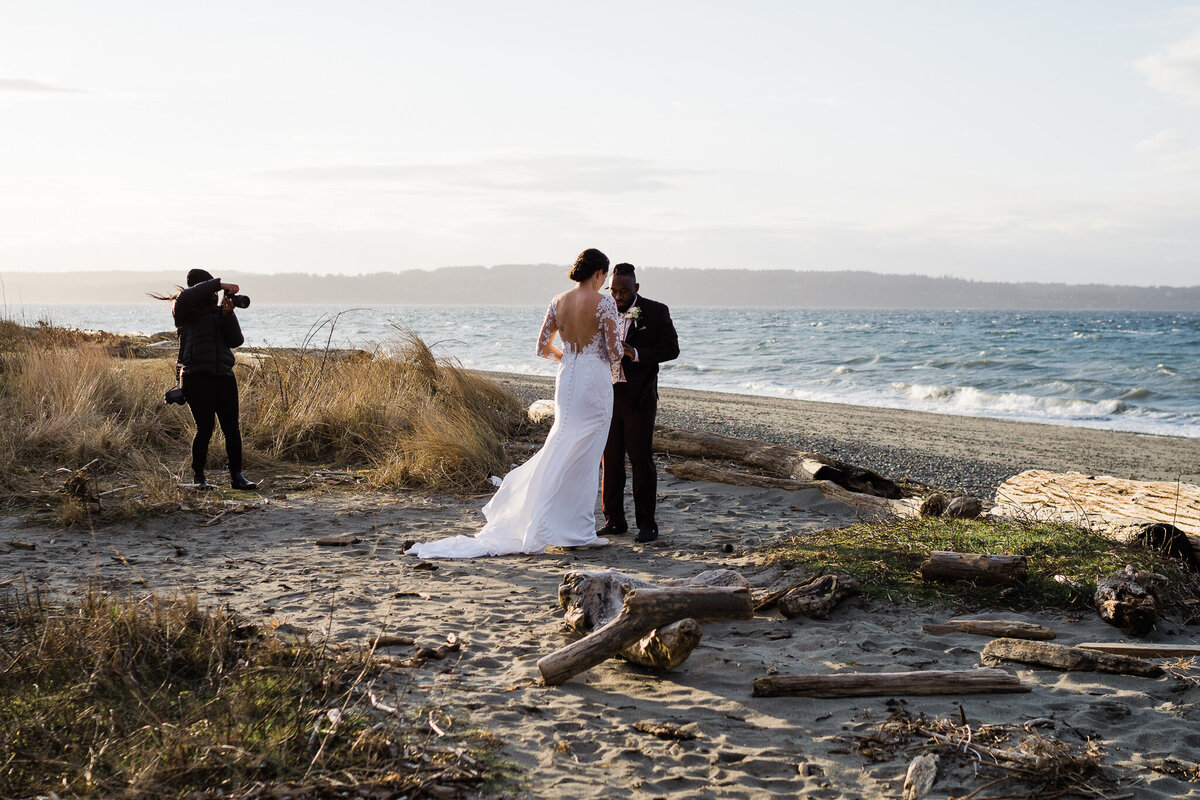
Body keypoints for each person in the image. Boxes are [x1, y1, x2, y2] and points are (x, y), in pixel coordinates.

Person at [407, 249, 621, 558]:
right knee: (585, 456)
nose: (604, 283)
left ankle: (567, 528)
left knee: (562, 444)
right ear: (600, 273)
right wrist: (602, 356)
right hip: (593, 384)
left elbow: (542, 348)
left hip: (568, 378)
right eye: (605, 277)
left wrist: (570, 356)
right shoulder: (605, 304)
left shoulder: (557, 301)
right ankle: (577, 531)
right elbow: (613, 352)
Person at [599, 263, 679, 542]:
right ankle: (614, 521)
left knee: (640, 461)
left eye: (624, 291)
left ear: (636, 289)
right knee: (610, 461)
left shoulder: (656, 311)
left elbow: (671, 349)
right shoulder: (603, 309)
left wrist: (635, 353)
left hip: (639, 397)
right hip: (607, 396)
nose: (618, 296)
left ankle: (647, 525)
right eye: (614, 290)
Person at [171, 268, 257, 491]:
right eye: (209, 287)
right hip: (196, 376)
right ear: (200, 288)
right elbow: (189, 295)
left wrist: (228, 315)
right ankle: (199, 477)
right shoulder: (184, 310)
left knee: (232, 429)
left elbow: (236, 340)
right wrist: (220, 284)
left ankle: (237, 477)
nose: (214, 293)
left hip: (224, 376)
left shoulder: (220, 313)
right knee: (205, 429)